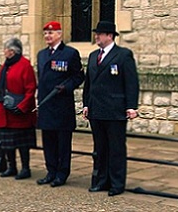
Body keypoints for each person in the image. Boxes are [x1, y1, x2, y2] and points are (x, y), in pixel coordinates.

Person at [83, 21, 139, 197]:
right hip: (97, 110)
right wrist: (86, 104)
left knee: (116, 149)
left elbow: (131, 83)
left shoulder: (123, 55)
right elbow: (88, 84)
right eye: (96, 33)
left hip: (115, 110)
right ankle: (101, 181)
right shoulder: (93, 56)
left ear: (110, 36)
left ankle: (116, 183)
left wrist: (131, 106)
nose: (96, 37)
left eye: (100, 34)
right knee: (100, 149)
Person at [36, 21, 85, 187]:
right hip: (46, 104)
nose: (48, 36)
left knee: (63, 143)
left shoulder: (70, 53)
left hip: (62, 105)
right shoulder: (41, 54)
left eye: (51, 33)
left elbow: (79, 76)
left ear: (59, 34)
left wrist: (66, 87)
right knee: (48, 142)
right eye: (46, 33)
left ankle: (62, 173)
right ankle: (51, 171)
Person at [0, 38, 37, 180]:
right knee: (7, 144)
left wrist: (22, 107)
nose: (4, 52)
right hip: (5, 111)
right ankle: (12, 167)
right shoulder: (5, 66)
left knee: (22, 144)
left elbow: (30, 89)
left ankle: (25, 168)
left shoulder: (25, 65)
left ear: (13, 51)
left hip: (20, 113)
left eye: (6, 49)